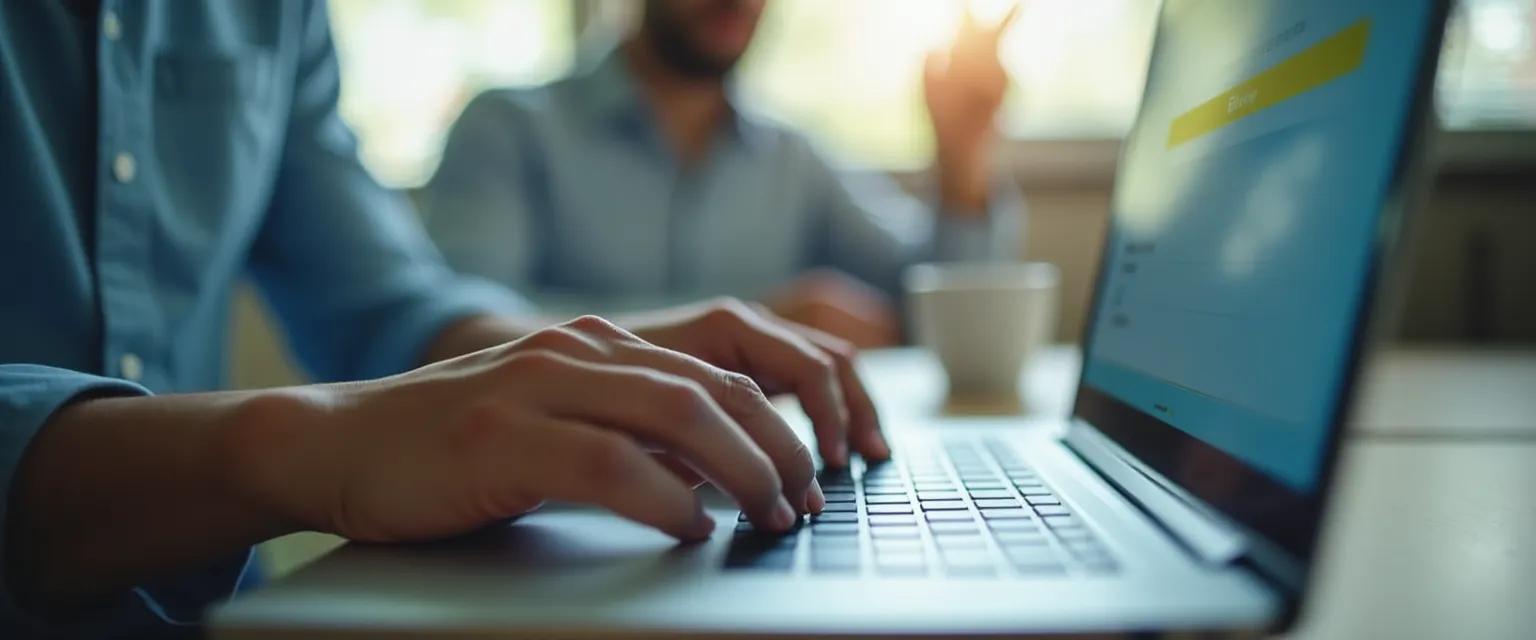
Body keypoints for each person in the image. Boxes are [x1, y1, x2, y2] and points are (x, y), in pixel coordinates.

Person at [0, 2, 887, 635]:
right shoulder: (514, 122)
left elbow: (388, 306)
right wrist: (305, 443)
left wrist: (612, 363)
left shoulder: (273, 13)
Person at [421, 0, 1024, 349]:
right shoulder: (507, 128)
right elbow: (462, 336)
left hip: (757, 498)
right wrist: (752, 329)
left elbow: (929, 299)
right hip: (545, 515)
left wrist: (961, 159)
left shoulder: (792, 157)